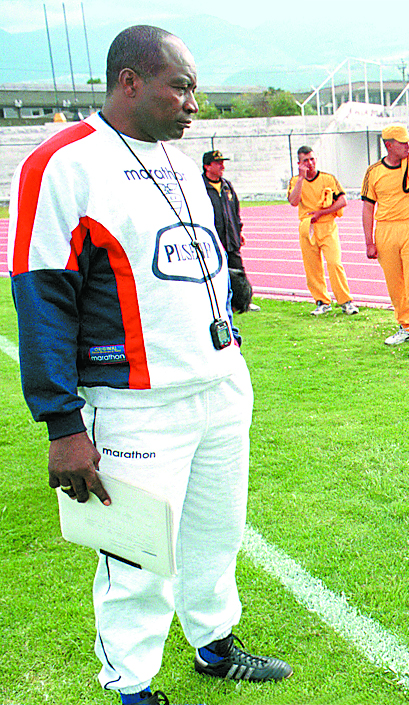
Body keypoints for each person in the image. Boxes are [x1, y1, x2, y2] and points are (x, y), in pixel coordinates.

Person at [6, 25, 292, 704]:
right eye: (182, 86)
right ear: (130, 81)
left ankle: (213, 642)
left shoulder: (180, 160)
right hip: (135, 400)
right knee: (137, 555)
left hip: (218, 383)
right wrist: (60, 422)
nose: (194, 103)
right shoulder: (62, 162)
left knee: (216, 530)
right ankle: (131, 685)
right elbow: (41, 294)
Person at [361, 124, 409, 358]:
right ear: (389, 145)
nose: (408, 146)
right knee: (395, 285)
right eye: (402, 142)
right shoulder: (373, 172)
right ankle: (406, 327)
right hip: (385, 232)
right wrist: (369, 241)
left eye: (408, 142)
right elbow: (367, 208)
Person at [287, 145, 360, 316]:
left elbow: (342, 201)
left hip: (327, 225)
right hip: (307, 227)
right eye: (306, 161)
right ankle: (322, 301)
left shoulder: (327, 179)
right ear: (299, 163)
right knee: (312, 267)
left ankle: (346, 301)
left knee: (334, 263)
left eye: (312, 159)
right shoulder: (295, 181)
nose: (310, 163)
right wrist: (300, 179)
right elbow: (293, 201)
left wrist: (322, 212)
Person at [202, 149, 260, 312]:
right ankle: (219, 303)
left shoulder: (227, 185)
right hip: (214, 239)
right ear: (207, 166)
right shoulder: (200, 186)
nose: (222, 166)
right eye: (218, 163)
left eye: (223, 163)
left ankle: (244, 302)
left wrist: (238, 230)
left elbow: (235, 210)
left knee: (238, 272)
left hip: (231, 237)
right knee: (216, 272)